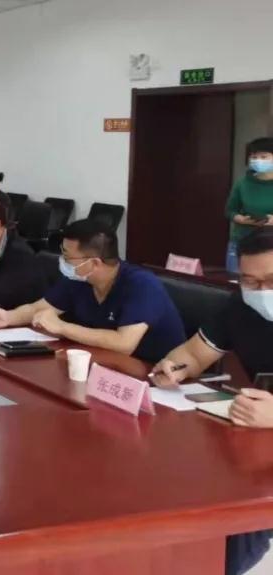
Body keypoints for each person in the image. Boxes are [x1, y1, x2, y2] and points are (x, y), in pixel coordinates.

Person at [151, 227, 273, 575]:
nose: (261, 292)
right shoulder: (241, 306)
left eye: (271, 281)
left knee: (238, 513)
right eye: (250, 281)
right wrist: (173, 367)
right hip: (254, 435)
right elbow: (193, 354)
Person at [0, 218, 185, 362]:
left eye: (68, 257)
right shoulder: (79, 278)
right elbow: (40, 308)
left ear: (94, 263)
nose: (62, 261)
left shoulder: (142, 285)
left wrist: (62, 327)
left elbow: (124, 343)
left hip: (154, 375)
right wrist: (8, 317)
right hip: (104, 364)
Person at [225, 137, 273, 275]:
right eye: (254, 157)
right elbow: (230, 210)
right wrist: (240, 219)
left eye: (263, 157)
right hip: (242, 240)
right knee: (235, 281)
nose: (258, 160)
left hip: (270, 244)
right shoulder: (242, 183)